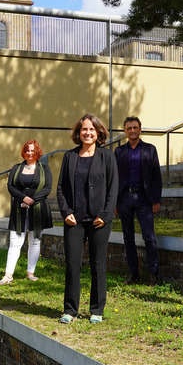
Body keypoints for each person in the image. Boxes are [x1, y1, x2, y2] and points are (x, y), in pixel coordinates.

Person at [55, 114, 118, 324]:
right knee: (72, 264)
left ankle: (96, 310)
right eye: (84, 129)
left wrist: (105, 214)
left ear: (99, 132)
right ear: (78, 133)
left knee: (98, 264)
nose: (87, 133)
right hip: (74, 220)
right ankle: (70, 310)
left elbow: (113, 188)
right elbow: (61, 188)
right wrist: (66, 212)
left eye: (92, 129)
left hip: (99, 220)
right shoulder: (69, 157)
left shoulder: (107, 157)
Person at [114, 116, 163, 286]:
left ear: (140, 129)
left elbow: (157, 176)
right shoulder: (119, 152)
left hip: (144, 198)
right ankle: (133, 274)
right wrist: (114, 202)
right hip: (124, 198)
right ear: (125, 131)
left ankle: (153, 274)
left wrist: (156, 200)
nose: (132, 130)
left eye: (135, 127)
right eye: (129, 128)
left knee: (149, 237)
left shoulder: (150, 149)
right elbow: (114, 178)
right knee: (128, 238)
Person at [0, 140, 53, 285]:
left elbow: (47, 188)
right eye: (27, 150)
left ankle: (30, 272)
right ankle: (8, 274)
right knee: (15, 242)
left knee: (35, 242)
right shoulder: (16, 168)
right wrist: (23, 198)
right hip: (19, 209)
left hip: (38, 210)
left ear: (37, 152)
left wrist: (32, 200)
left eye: (32, 150)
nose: (30, 153)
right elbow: (10, 186)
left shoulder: (45, 169)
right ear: (24, 152)